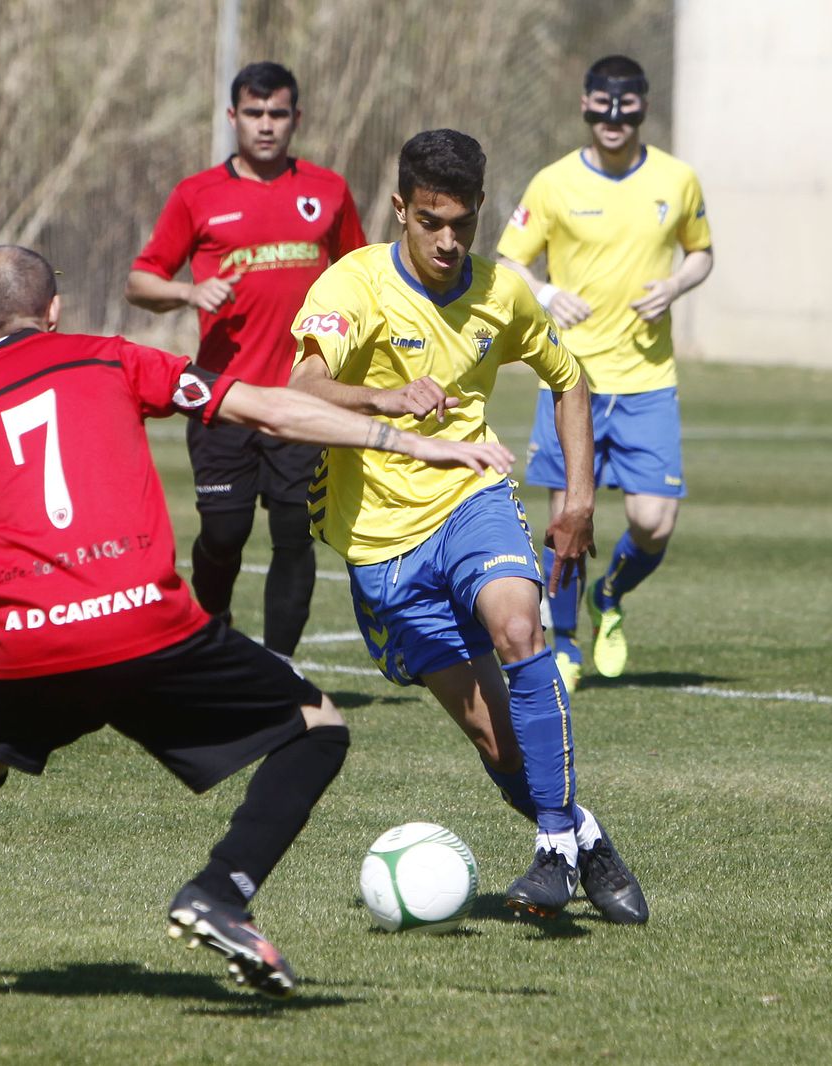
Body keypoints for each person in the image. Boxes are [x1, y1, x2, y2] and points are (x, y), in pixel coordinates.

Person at [0, 246, 512, 1004]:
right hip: (145, 625)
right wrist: (412, 440)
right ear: (54, 311)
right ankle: (221, 892)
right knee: (318, 727)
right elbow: (265, 407)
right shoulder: (111, 359)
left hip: (29, 647)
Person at [288, 130, 648, 924]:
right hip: (380, 542)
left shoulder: (502, 293)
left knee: (520, 627)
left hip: (470, 497)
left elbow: (570, 379)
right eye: (430, 221)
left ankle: (551, 850)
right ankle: (587, 841)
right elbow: (302, 386)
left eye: (462, 223)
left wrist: (578, 497)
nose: (447, 241)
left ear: (482, 209)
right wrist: (381, 397)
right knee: (498, 742)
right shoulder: (355, 285)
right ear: (400, 209)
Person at [127, 61, 367, 659]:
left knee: (293, 535)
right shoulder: (197, 195)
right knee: (224, 531)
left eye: (277, 114)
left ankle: (280, 667)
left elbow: (359, 276)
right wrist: (187, 293)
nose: (266, 125)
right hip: (222, 396)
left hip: (301, 396)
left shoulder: (328, 190)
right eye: (254, 113)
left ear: (295, 118)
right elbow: (139, 282)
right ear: (233, 117)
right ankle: (213, 635)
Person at [496, 54, 714, 693]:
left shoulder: (677, 180)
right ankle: (564, 645)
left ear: (642, 107)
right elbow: (509, 260)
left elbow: (701, 253)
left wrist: (675, 284)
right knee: (567, 518)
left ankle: (609, 595)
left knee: (654, 522)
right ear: (586, 106)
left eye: (625, 107)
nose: (613, 119)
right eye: (602, 106)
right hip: (573, 380)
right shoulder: (553, 183)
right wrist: (545, 293)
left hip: (648, 378)